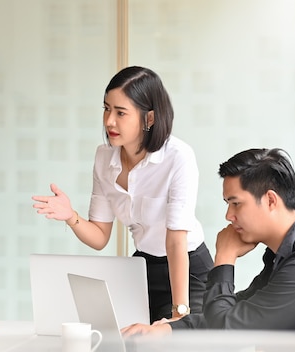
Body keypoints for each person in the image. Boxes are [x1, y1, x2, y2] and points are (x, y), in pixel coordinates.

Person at [32, 66, 213, 322]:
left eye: (120, 113)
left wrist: (179, 312)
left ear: (149, 118)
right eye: (106, 109)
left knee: (171, 341)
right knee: (117, 335)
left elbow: (175, 242)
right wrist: (70, 216)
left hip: (189, 270)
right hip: (144, 268)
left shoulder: (178, 157)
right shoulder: (104, 157)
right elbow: (99, 237)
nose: (109, 121)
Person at [122, 148, 295, 335]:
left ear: (270, 200)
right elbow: (238, 312)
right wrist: (169, 330)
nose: (229, 216)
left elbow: (226, 334)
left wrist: (224, 258)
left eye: (236, 203)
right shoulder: (292, 251)